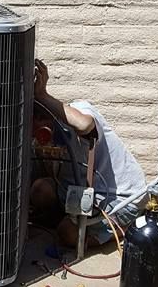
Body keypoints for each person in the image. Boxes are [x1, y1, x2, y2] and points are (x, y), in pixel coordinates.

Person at [31, 60, 146, 247]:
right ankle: (74, 221)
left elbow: (85, 125)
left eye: (42, 124)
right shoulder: (44, 139)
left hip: (119, 197)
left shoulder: (80, 110)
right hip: (82, 191)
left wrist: (43, 95)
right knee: (40, 190)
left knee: (66, 234)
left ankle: (126, 228)